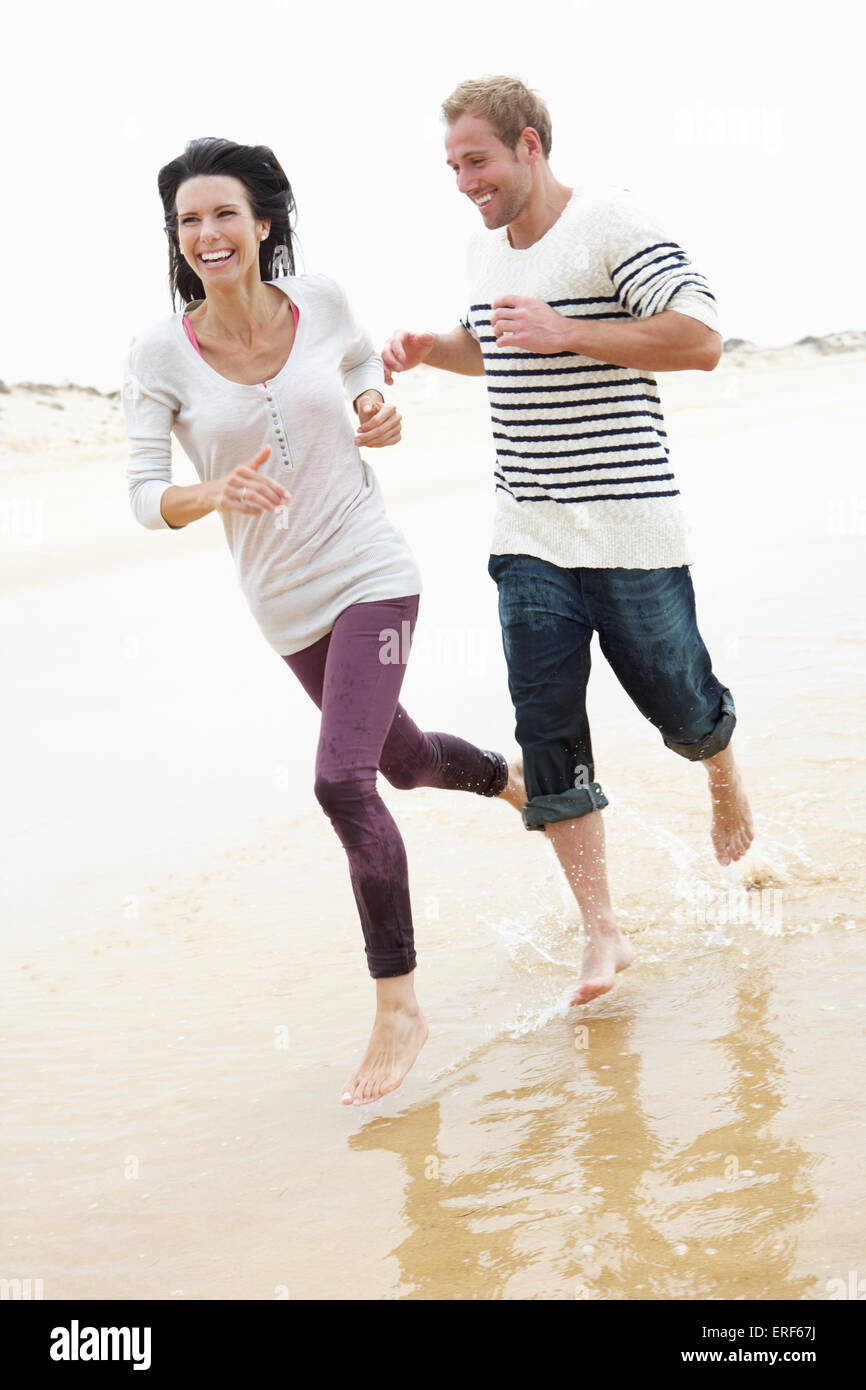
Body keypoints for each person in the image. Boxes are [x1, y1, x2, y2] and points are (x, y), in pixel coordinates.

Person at [122, 137, 518, 1106]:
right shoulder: (157, 353)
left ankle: (398, 1002)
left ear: (263, 224)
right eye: (188, 221)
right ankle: (518, 779)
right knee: (406, 763)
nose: (207, 234)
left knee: (339, 781)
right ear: (175, 240)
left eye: (224, 215)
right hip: (285, 603)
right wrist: (212, 489)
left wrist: (375, 405)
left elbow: (353, 376)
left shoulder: (325, 300)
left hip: (370, 572)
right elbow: (142, 496)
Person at [382, 77, 754, 1007]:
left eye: (479, 161)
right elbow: (501, 342)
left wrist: (569, 329)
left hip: (629, 524)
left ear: (531, 145)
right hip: (529, 529)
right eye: (454, 166)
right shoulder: (481, 249)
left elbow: (704, 337)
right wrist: (439, 347)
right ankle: (604, 932)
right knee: (546, 725)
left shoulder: (612, 225)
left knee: (682, 702)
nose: (466, 182)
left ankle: (721, 773)